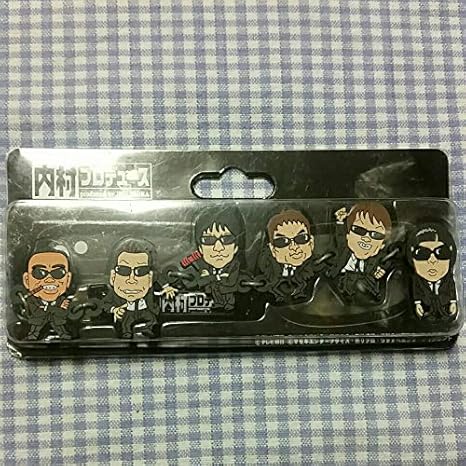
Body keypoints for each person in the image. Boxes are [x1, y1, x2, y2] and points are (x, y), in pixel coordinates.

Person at [103, 238, 176, 338]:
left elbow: (159, 278)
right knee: (126, 324)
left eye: (141, 271)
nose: (132, 279)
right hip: (126, 318)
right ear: (112, 277)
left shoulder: (152, 293)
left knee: (151, 320)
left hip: (145, 313)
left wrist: (167, 288)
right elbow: (105, 304)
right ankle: (126, 333)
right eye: (124, 270)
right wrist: (114, 310)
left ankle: (148, 329)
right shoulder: (111, 295)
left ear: (150, 278)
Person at [183, 206, 245, 311]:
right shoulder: (197, 262)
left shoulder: (236, 268)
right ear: (200, 247)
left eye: (227, 239)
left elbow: (231, 282)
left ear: (236, 246)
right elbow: (184, 263)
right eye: (209, 240)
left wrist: (213, 278)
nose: (218, 248)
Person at [329, 201, 392, 299]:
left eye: (376, 235)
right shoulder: (343, 252)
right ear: (348, 235)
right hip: (339, 291)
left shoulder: (376, 261)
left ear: (382, 245)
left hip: (365, 294)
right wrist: (340, 221)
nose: (366, 238)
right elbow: (340, 237)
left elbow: (390, 259)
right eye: (359, 230)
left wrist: (380, 270)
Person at [257, 209, 320, 302]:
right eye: (282, 241)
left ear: (311, 242)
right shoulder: (263, 273)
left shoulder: (320, 271)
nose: (294, 247)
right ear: (272, 249)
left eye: (301, 238)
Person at [21, 242, 73, 340]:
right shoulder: (31, 301)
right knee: (36, 325)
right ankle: (33, 335)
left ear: (68, 279)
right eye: (39, 272)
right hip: (38, 321)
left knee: (58, 324)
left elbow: (64, 313)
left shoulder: (63, 300)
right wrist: (51, 309)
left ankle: (62, 334)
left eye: (58, 272)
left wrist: (60, 309)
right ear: (27, 280)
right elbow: (35, 313)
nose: (49, 280)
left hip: (57, 322)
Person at [406, 224, 458, 319]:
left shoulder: (448, 278)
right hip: (426, 307)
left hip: (443, 305)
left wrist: (453, 302)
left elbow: (451, 289)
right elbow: (416, 291)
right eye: (422, 253)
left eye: (441, 252)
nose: (432, 260)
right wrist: (418, 304)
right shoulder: (417, 280)